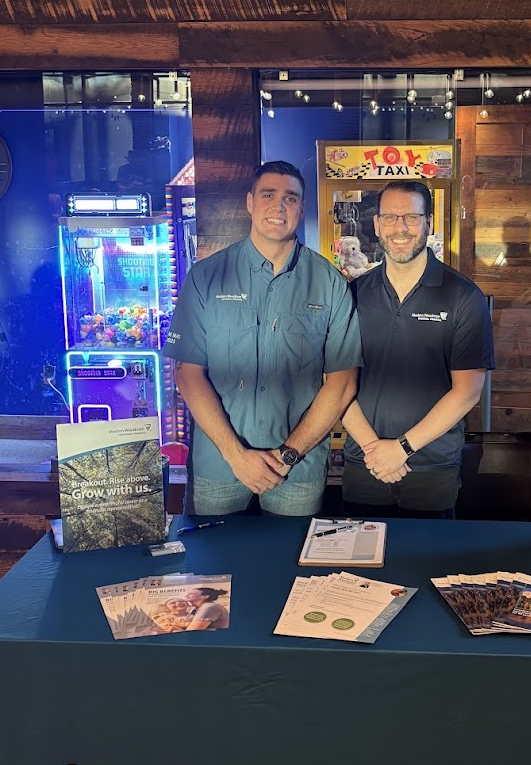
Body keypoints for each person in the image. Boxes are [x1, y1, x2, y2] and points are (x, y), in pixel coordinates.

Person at [163, 161, 362, 517]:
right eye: (268, 195)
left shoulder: (329, 282)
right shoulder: (206, 277)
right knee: (213, 553)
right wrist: (235, 455)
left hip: (297, 469)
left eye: (291, 198)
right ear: (250, 202)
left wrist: (288, 455)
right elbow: (188, 374)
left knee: (292, 554)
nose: (279, 206)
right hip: (219, 465)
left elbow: (343, 382)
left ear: (302, 208)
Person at [341, 180, 495, 518]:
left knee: (429, 552)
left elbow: (468, 391)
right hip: (364, 463)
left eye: (411, 217)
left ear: (429, 222)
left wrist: (401, 448)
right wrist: (373, 450)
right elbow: (336, 384)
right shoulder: (351, 295)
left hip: (432, 467)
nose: (400, 228)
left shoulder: (462, 296)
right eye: (390, 217)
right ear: (377, 224)